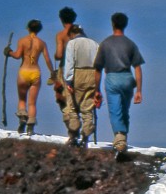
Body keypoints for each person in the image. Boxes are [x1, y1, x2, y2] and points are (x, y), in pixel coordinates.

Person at [94, 12, 144, 154]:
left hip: (112, 77)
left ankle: (120, 138)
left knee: (115, 109)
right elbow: (138, 68)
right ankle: (123, 138)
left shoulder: (105, 43)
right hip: (127, 78)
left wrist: (96, 90)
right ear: (125, 25)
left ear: (112, 24)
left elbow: (97, 69)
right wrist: (139, 90)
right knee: (124, 110)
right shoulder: (130, 44)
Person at [6, 19, 55, 135]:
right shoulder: (42, 43)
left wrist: (9, 52)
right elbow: (47, 59)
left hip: (24, 71)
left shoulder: (22, 41)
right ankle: (31, 126)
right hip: (35, 72)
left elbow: (17, 56)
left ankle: (23, 117)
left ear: (28, 28)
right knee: (32, 103)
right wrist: (52, 72)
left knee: (22, 99)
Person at [61, 24, 100, 147]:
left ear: (72, 34)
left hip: (78, 73)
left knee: (73, 106)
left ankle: (73, 134)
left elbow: (69, 63)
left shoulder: (72, 44)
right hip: (92, 74)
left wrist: (68, 81)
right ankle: (86, 135)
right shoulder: (95, 44)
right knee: (87, 107)